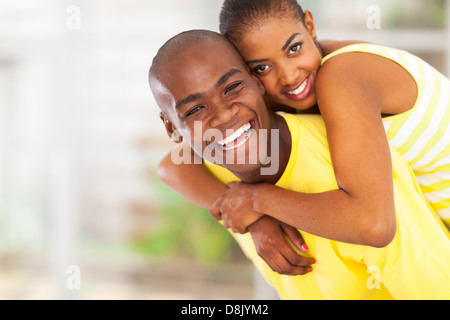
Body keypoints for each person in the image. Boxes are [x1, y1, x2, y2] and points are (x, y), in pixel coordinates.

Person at [149, 29, 450, 299]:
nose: (224, 116)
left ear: (257, 84)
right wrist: (251, 214)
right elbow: (170, 167)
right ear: (173, 129)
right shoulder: (220, 162)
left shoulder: (354, 179)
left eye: (232, 87)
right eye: (195, 109)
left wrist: (257, 200)